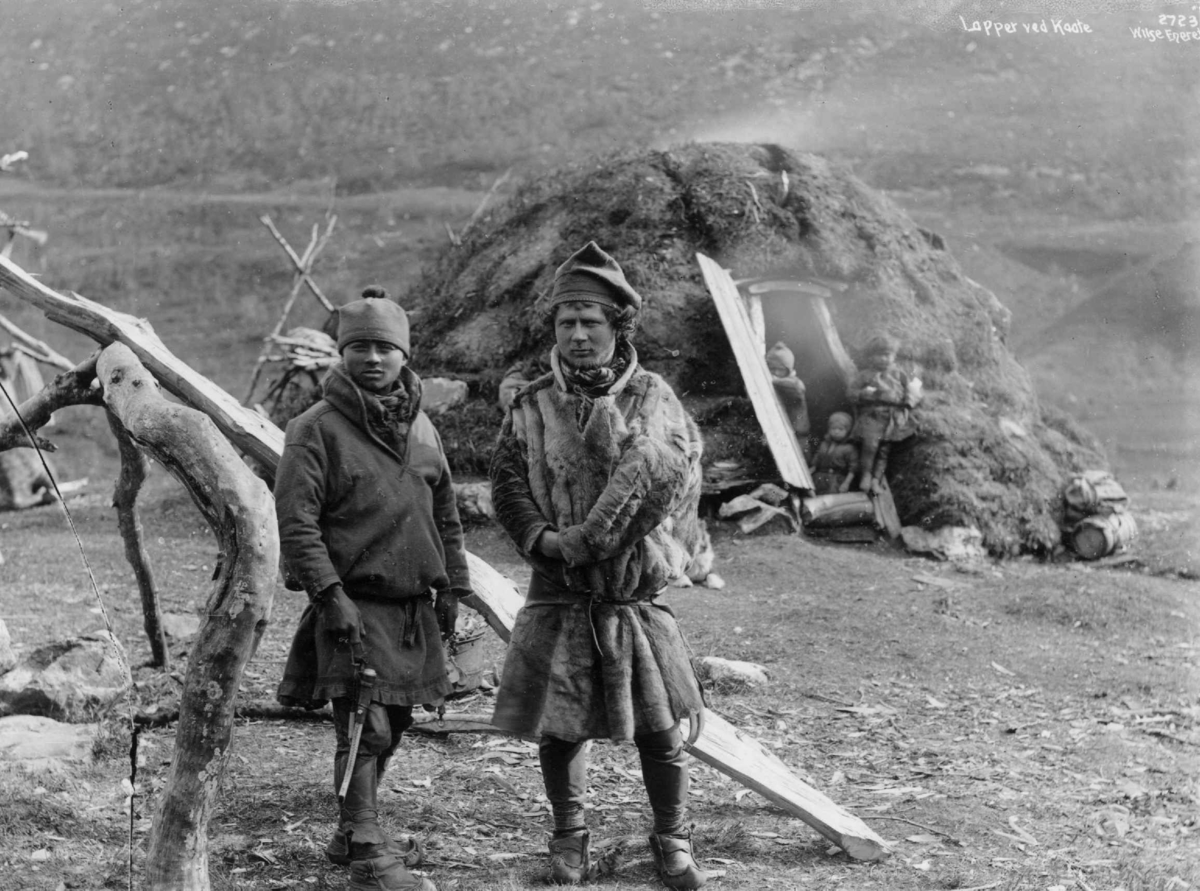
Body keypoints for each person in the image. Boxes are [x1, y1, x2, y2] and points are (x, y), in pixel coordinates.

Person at [489, 241, 711, 889]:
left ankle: (672, 837)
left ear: (619, 327)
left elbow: (666, 482)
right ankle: (569, 833)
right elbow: (508, 486)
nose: (579, 334)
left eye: (592, 321)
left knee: (661, 725)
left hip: (631, 593)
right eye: (567, 322)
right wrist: (542, 540)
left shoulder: (653, 398)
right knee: (560, 727)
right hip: (557, 589)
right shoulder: (530, 404)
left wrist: (593, 540)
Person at [274, 286, 471, 891]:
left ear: (404, 355)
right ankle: (366, 850)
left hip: (413, 605)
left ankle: (348, 831)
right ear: (341, 353)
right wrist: (330, 596)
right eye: (359, 346)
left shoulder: (422, 427)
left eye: (386, 348)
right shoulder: (316, 429)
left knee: (399, 720)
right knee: (365, 724)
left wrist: (453, 587)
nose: (374, 359)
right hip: (353, 603)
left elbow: (445, 511)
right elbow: (297, 521)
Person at [847, 331, 922, 493]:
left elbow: (912, 390)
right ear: (870, 357)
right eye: (878, 355)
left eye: (887, 355)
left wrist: (908, 403)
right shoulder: (865, 376)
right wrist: (862, 394)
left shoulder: (899, 374)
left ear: (894, 356)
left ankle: (876, 479)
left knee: (884, 450)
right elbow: (851, 392)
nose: (883, 359)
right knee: (870, 445)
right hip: (873, 415)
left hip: (892, 416)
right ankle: (865, 475)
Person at [765, 341, 812, 458]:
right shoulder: (780, 382)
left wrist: (771, 378)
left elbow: (794, 388)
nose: (776, 372)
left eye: (780, 369)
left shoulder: (795, 383)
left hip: (799, 436)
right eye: (772, 368)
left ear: (788, 370)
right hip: (785, 432)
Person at [810, 411, 859, 495]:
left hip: (836, 481)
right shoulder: (824, 445)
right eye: (833, 428)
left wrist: (846, 483)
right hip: (819, 479)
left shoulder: (849, 448)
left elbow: (853, 469)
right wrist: (808, 474)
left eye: (840, 429)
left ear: (847, 431)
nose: (836, 432)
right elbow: (816, 462)